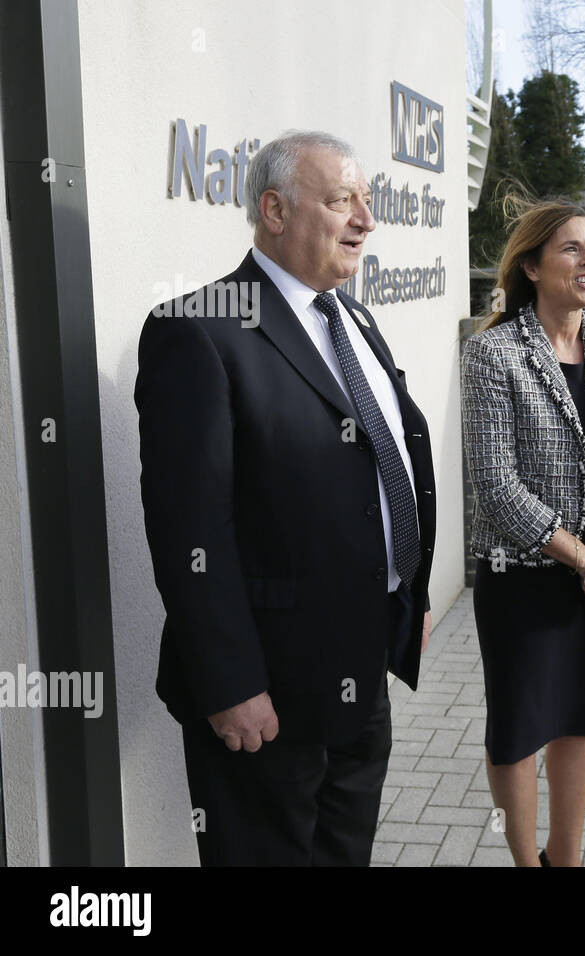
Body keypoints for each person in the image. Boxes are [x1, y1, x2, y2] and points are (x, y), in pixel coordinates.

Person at [135, 131, 438, 866]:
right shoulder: (197, 331)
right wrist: (230, 681)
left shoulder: (354, 318)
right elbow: (188, 529)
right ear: (274, 210)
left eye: (367, 200)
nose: (366, 218)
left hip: (360, 672)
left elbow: (381, 463)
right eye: (342, 201)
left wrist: (411, 596)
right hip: (267, 693)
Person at [461, 198, 585, 867]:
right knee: (519, 731)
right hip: (526, 581)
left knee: (584, 719)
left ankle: (565, 860)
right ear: (533, 265)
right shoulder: (493, 354)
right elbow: (496, 487)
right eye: (573, 248)